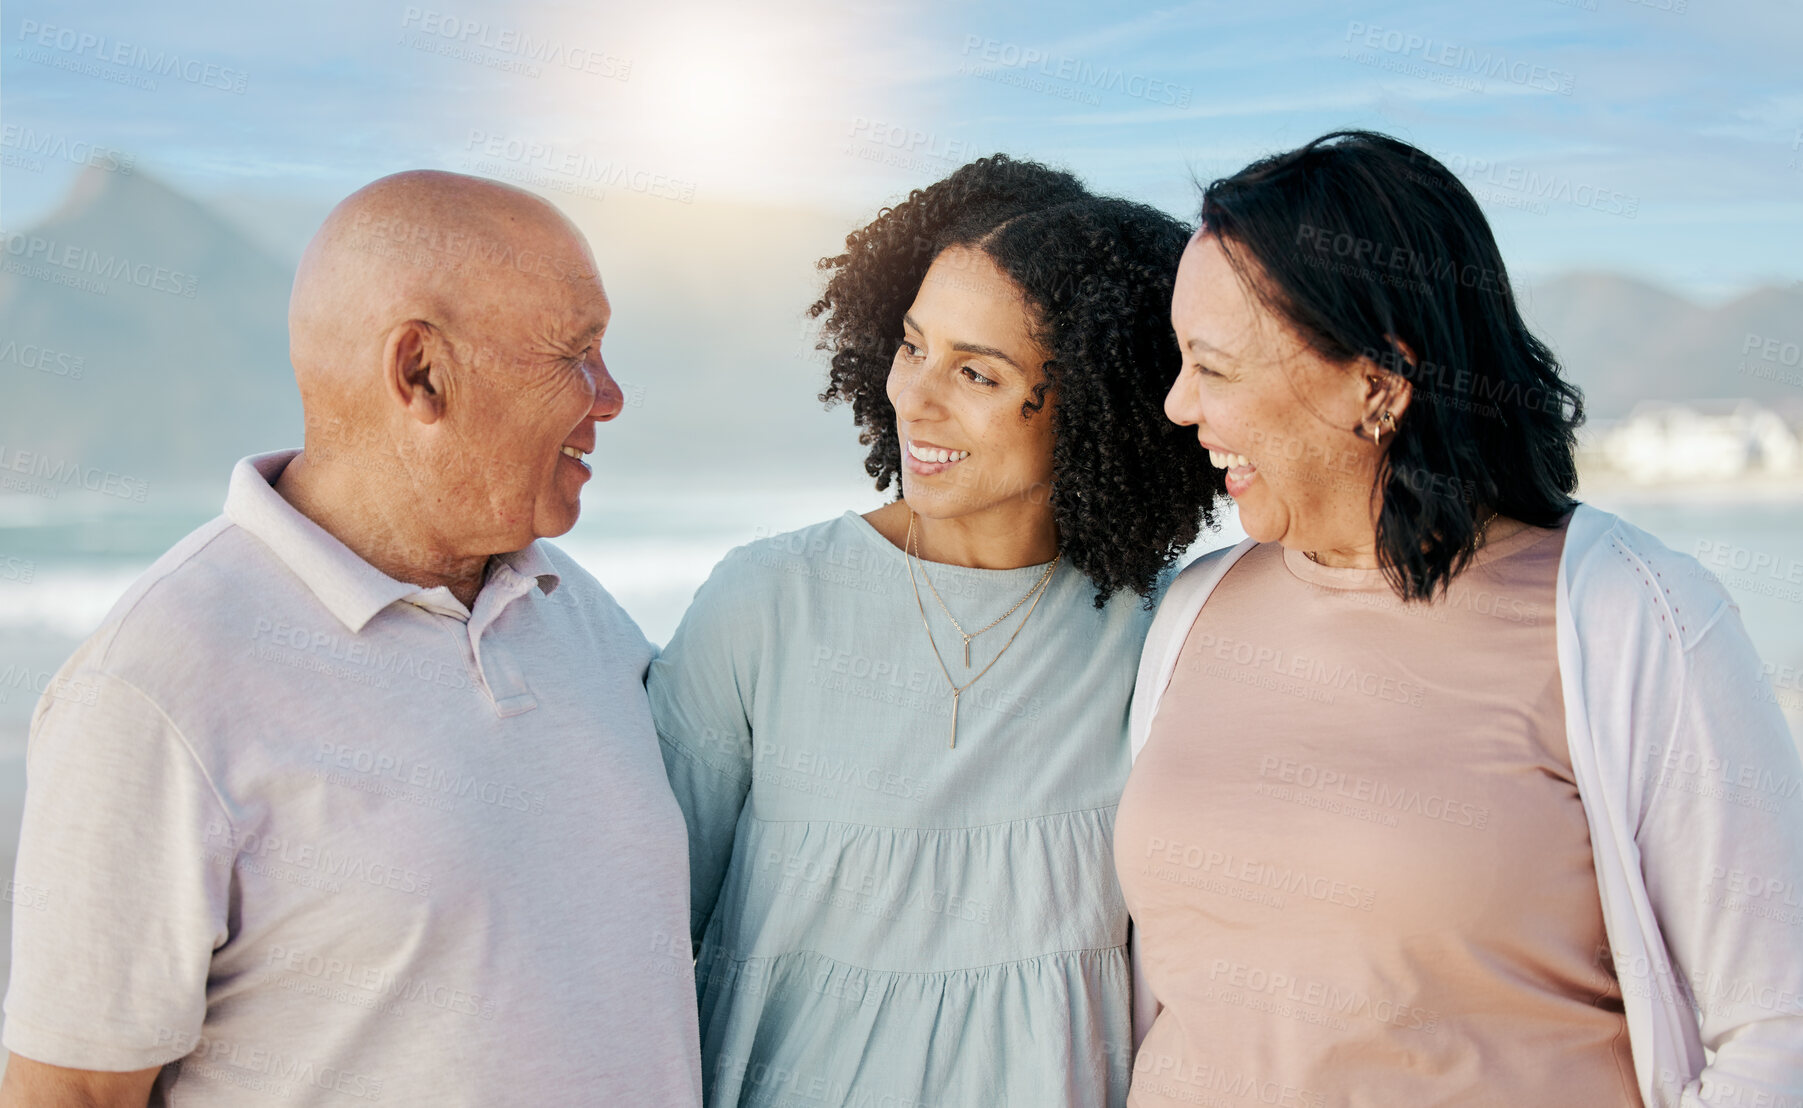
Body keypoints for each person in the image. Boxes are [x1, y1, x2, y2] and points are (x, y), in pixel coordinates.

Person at [1118, 130, 1803, 1108]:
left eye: (1213, 366)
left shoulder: (1631, 618)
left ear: (1378, 382)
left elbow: (1778, 1031)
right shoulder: (1192, 610)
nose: (1181, 404)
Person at [0, 171, 703, 1107]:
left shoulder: (581, 614)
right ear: (420, 371)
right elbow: (72, 1092)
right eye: (573, 353)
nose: (609, 397)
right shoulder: (154, 686)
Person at [650, 154, 1221, 1107]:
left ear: (1092, 407)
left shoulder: (1160, 634)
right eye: (912, 346)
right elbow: (639, 928)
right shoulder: (767, 603)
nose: (915, 397)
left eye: (976, 373)